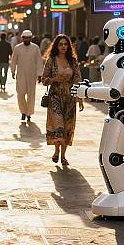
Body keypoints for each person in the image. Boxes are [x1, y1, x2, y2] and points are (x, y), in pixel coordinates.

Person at [42, 34, 83, 165]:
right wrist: (54, 79)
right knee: (58, 125)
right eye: (61, 44)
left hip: (70, 98)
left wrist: (80, 98)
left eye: (65, 44)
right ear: (56, 46)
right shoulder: (51, 61)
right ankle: (56, 151)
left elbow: (78, 80)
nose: (63, 47)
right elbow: (44, 80)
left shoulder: (73, 61)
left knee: (67, 127)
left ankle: (64, 156)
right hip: (55, 97)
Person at [10, 30, 43, 122]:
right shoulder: (17, 48)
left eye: (29, 38)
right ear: (22, 38)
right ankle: (23, 111)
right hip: (20, 74)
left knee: (31, 95)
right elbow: (13, 60)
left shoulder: (35, 48)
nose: (27, 39)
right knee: (20, 94)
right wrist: (13, 71)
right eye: (25, 38)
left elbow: (39, 61)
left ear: (31, 38)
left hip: (32, 75)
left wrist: (40, 74)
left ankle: (29, 113)